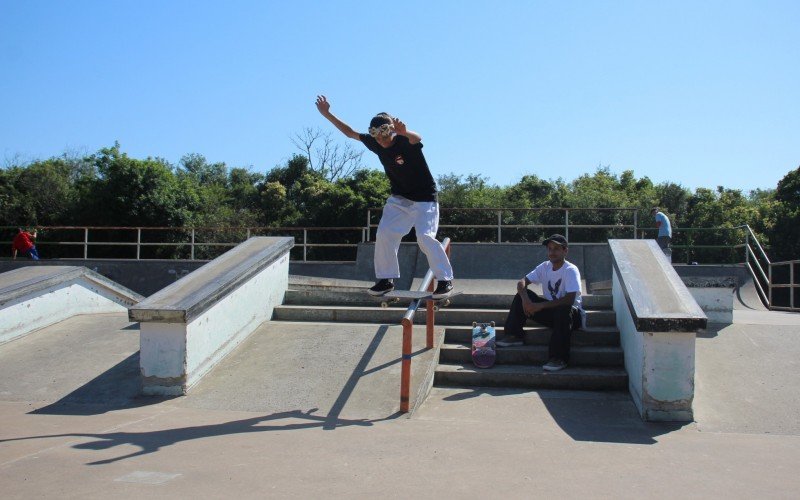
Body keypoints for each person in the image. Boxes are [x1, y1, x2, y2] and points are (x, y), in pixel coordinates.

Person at [315, 95, 454, 298]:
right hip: (400, 199)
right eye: (378, 138)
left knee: (424, 238)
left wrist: (404, 131)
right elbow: (350, 133)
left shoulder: (404, 141)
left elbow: (418, 138)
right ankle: (386, 279)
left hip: (425, 198)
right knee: (385, 234)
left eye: (385, 137)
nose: (382, 142)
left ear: (391, 132)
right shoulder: (375, 143)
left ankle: (444, 280)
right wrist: (327, 114)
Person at [496, 234, 584, 372]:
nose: (552, 252)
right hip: (554, 314)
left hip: (573, 316)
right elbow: (522, 282)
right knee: (522, 296)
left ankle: (558, 358)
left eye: (556, 249)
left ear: (565, 251)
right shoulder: (545, 267)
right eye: (549, 249)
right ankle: (514, 336)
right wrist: (526, 301)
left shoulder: (570, 270)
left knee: (563, 309)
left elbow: (569, 299)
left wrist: (539, 306)